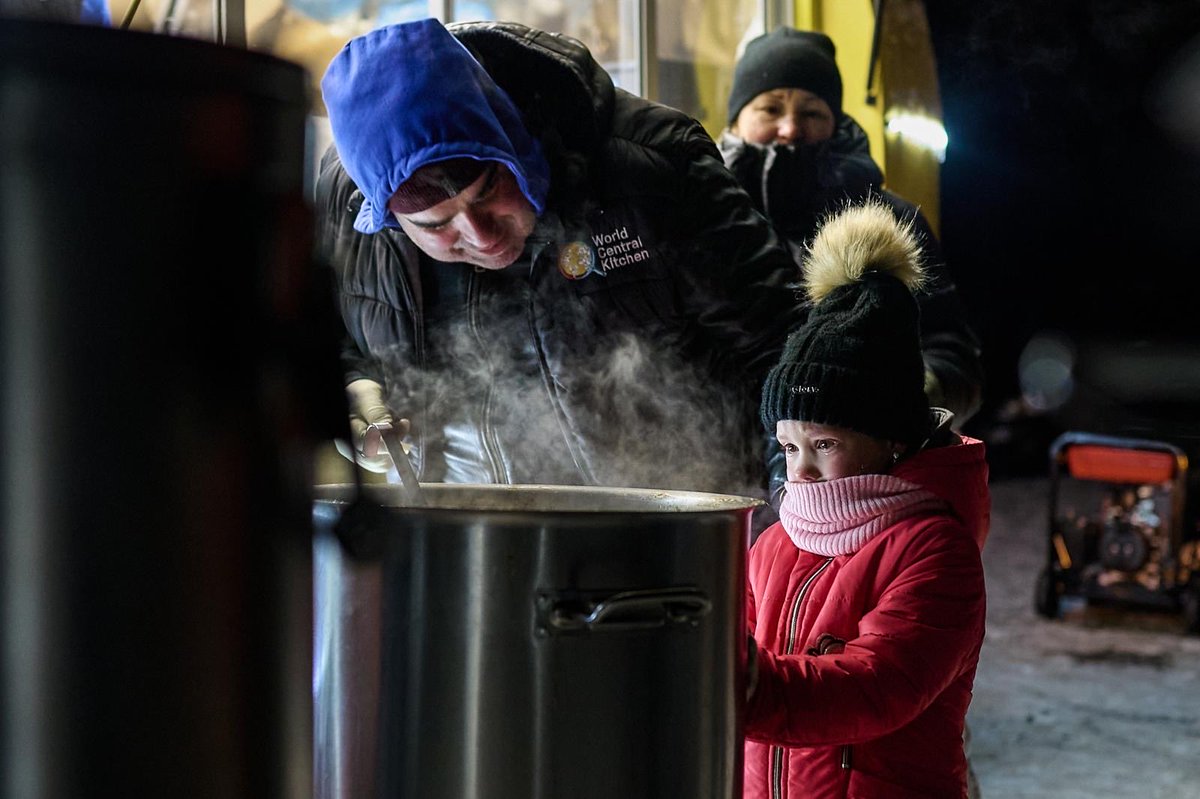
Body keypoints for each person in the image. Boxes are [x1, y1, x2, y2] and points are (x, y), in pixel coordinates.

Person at [316, 18, 802, 495]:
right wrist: (356, 392)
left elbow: (784, 353)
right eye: (436, 225)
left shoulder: (651, 168)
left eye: (488, 191)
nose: (480, 236)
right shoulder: (348, 201)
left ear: (513, 136)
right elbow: (329, 341)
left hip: (670, 526)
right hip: (454, 535)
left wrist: (788, 515)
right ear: (386, 221)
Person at [744, 200, 989, 798]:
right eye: (788, 445)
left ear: (890, 439)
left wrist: (723, 681)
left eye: (824, 444)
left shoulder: (934, 551)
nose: (798, 471)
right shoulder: (776, 540)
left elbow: (872, 688)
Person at [719, 25, 984, 439]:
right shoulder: (701, 214)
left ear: (836, 121)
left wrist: (908, 399)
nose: (790, 128)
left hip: (856, 482)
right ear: (735, 120)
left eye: (811, 112)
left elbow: (956, 356)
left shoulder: (891, 222)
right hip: (715, 470)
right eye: (770, 109)